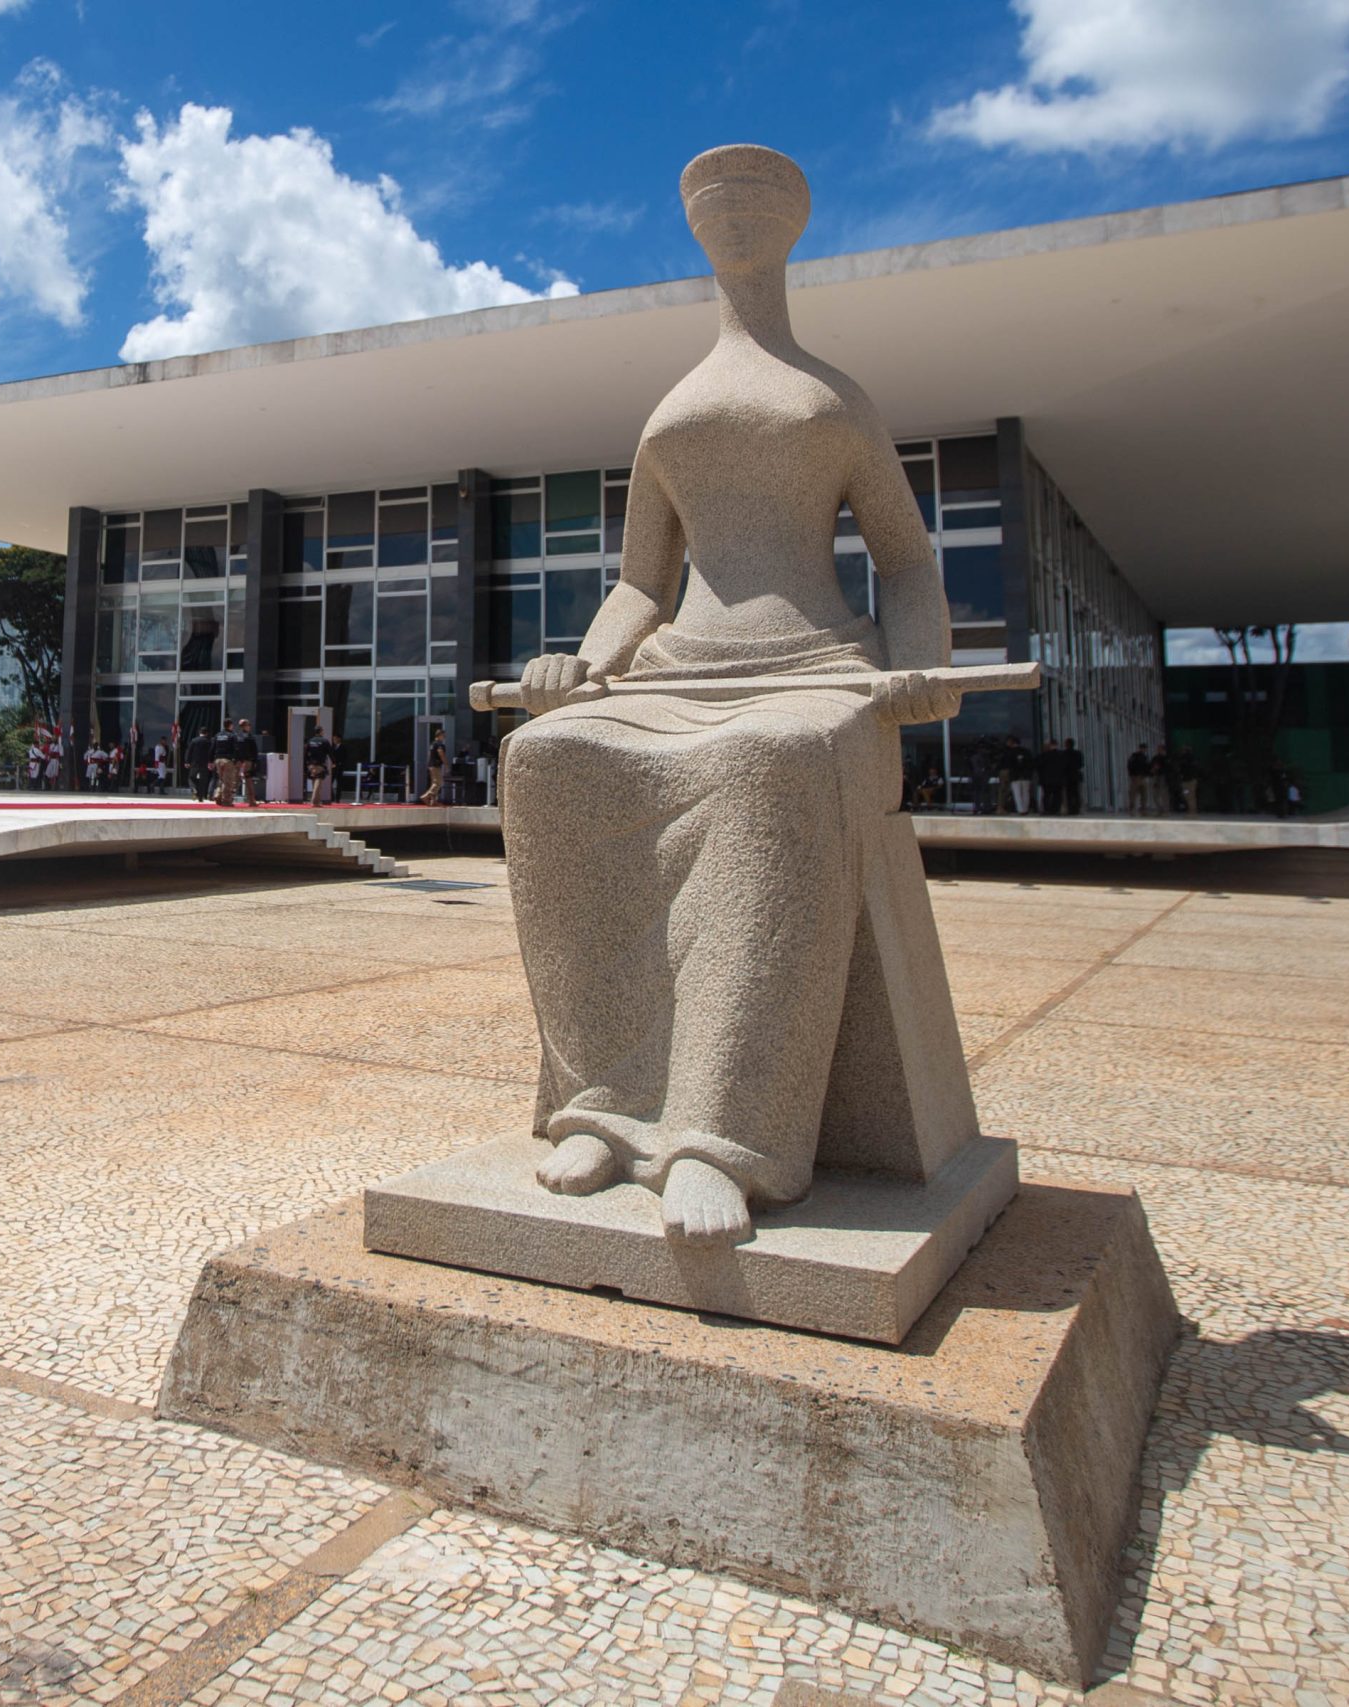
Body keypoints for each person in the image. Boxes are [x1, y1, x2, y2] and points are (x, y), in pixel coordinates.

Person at [503, 146, 963, 1248]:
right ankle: (603, 1107)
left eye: (756, 204)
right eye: (717, 207)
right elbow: (638, 585)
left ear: (793, 223)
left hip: (815, 672)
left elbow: (905, 560)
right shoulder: (671, 413)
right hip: (678, 670)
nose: (736, 219)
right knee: (545, 761)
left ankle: (718, 1134)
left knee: (771, 762)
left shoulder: (834, 400)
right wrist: (583, 668)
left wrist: (920, 666)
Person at [306, 726, 338, 806]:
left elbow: (306, 752)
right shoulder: (325, 741)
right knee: (318, 782)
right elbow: (330, 753)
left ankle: (317, 802)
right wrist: (334, 762)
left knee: (314, 782)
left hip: (311, 765)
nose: (323, 732)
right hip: (320, 765)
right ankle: (314, 801)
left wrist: (307, 763)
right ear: (320, 732)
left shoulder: (310, 741)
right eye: (322, 731)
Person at [1003, 734, 1034, 815]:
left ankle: (1020, 810)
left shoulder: (1010, 753)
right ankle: (1025, 809)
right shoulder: (1026, 751)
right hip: (1026, 776)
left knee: (1017, 793)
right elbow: (1031, 764)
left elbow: (1008, 765)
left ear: (1012, 743)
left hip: (1015, 776)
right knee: (1025, 793)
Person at [419, 727, 450, 805]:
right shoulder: (439, 744)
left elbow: (430, 755)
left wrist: (429, 764)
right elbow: (441, 754)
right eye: (443, 735)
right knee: (439, 782)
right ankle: (425, 796)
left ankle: (433, 801)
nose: (444, 737)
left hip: (431, 765)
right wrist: (446, 765)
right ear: (439, 735)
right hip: (436, 765)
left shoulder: (432, 744)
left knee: (434, 783)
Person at [185, 725, 215, 801]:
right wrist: (211, 762)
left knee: (191, 778)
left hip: (195, 763)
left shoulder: (194, 740)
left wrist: (187, 761)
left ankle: (193, 788)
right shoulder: (209, 742)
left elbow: (189, 751)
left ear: (199, 732)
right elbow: (211, 752)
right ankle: (200, 797)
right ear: (207, 733)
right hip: (205, 763)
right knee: (203, 780)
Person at [1171, 743, 1200, 814]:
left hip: (1191, 780)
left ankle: (1192, 810)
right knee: (1186, 794)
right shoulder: (1183, 758)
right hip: (1185, 780)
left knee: (1191, 795)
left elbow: (1193, 768)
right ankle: (1190, 809)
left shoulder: (1191, 758)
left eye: (1184, 749)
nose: (1183, 751)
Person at [1125, 744, 1152, 815]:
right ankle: (1132, 809)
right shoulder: (1135, 756)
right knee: (1133, 794)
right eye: (1143, 748)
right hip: (1136, 776)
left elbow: (1147, 766)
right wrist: (1132, 775)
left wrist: (1148, 774)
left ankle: (1143, 809)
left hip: (1143, 777)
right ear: (1140, 748)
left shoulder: (1145, 757)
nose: (1144, 750)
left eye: (1145, 749)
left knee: (1144, 794)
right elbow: (1130, 765)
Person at [1065, 740, 1086, 814]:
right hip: (1076, 775)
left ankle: (1070, 809)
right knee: (1077, 793)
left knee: (1069, 793)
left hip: (1067, 776)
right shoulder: (1078, 753)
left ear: (1066, 745)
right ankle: (1077, 808)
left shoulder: (1064, 754)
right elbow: (1081, 764)